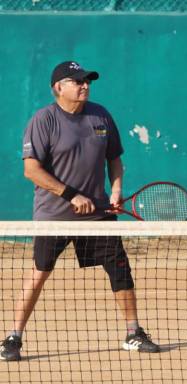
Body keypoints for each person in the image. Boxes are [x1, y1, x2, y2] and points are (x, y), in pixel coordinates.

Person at [0, 61, 159, 361]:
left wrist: (115, 190)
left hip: (97, 215)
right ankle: (13, 338)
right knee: (39, 273)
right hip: (53, 216)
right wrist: (70, 195)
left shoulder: (101, 115)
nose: (85, 85)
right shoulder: (43, 120)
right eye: (77, 81)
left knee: (120, 270)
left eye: (87, 81)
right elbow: (31, 170)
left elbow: (114, 159)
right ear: (58, 87)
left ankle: (133, 333)